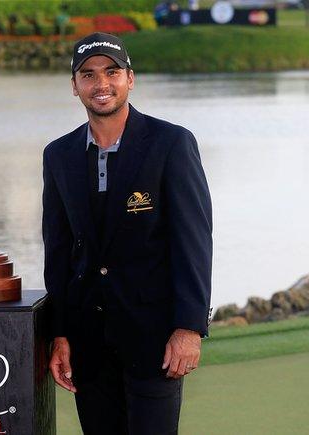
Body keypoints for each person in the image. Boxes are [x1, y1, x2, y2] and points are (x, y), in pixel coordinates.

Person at [42, 32, 212, 434]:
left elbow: (193, 243)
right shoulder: (58, 155)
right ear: (74, 86)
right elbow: (59, 250)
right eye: (88, 75)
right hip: (88, 343)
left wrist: (189, 328)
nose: (101, 84)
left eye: (112, 72)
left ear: (130, 79)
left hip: (154, 340)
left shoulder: (171, 143)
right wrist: (60, 333)